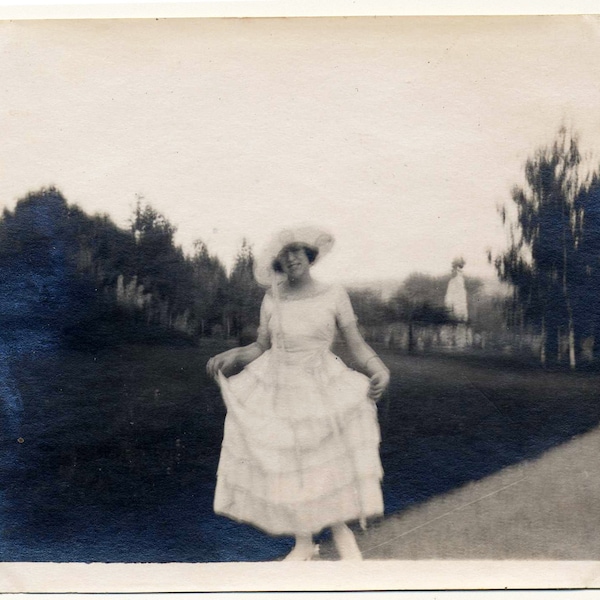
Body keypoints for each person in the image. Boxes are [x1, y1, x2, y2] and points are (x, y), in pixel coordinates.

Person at [206, 226, 390, 561]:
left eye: (297, 251)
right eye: (284, 254)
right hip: (279, 384)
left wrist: (378, 368)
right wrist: (234, 355)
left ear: (309, 255)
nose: (291, 259)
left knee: (325, 458)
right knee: (291, 462)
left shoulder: (334, 294)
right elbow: (262, 346)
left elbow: (356, 344)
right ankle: (304, 543)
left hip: (321, 382)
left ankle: (340, 531)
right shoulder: (272, 298)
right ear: (278, 261)